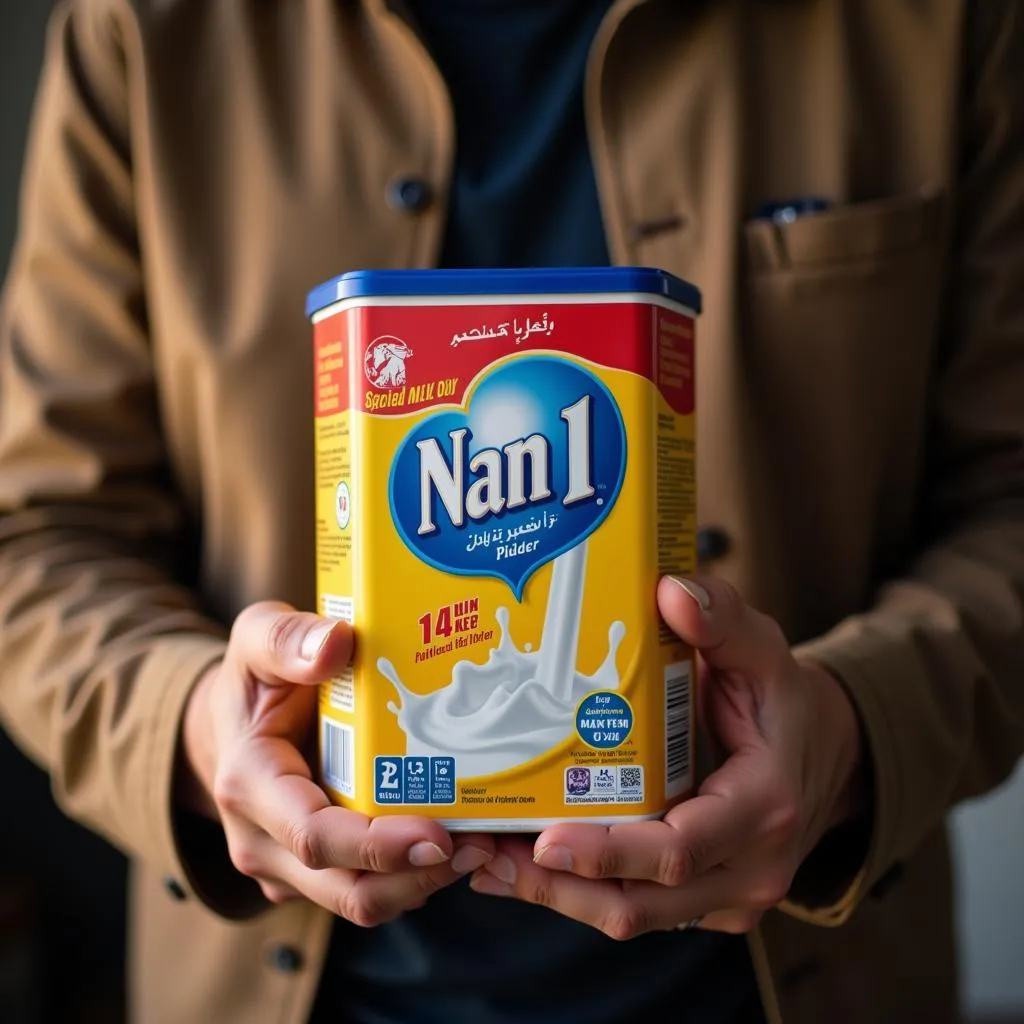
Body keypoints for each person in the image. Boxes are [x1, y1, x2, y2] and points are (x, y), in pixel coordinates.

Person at [1, 1, 1023, 1022]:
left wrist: (853, 729)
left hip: (791, 981)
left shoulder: (936, 24)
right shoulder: (144, 27)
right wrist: (187, 725)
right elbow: (36, 540)